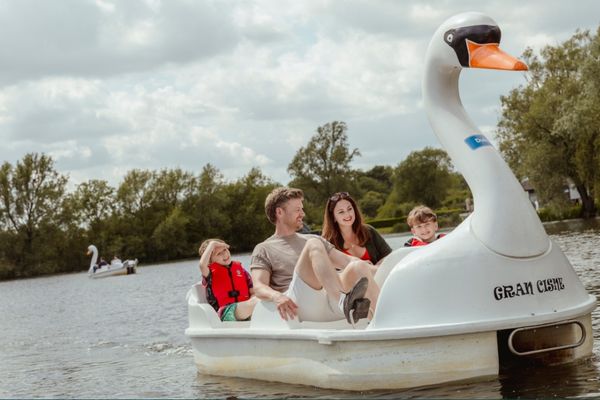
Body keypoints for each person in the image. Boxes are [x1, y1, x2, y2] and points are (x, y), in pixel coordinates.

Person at [250, 187, 380, 324]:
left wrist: (392, 269)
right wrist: (276, 296)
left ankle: (380, 321)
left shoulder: (311, 238)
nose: (303, 214)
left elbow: (347, 261)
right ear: (279, 212)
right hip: (298, 305)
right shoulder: (264, 248)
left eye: (302, 209)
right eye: (297, 210)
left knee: (358, 265)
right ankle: (343, 300)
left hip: (330, 300)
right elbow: (258, 286)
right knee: (314, 244)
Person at [321, 192, 392, 265]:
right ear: (333, 217)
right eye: (341, 212)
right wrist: (360, 266)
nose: (348, 214)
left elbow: (390, 256)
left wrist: (373, 268)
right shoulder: (328, 243)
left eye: (349, 209)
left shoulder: (369, 231)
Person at [199, 239, 259, 321]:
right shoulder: (209, 274)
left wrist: (252, 300)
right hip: (225, 313)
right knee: (262, 299)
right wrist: (212, 245)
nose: (224, 254)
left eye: (225, 249)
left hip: (245, 309)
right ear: (210, 261)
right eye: (219, 253)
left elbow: (253, 292)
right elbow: (202, 265)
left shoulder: (242, 271)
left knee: (264, 297)